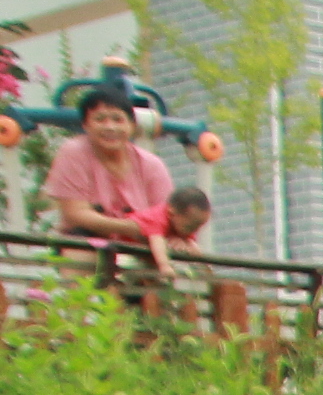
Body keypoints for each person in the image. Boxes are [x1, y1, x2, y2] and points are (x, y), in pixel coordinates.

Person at [47, 90, 174, 253]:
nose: (110, 127)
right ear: (85, 125)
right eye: (100, 119)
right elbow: (75, 214)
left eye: (118, 119)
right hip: (86, 244)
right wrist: (133, 227)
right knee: (77, 255)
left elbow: (169, 216)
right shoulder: (73, 152)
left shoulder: (152, 165)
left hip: (143, 248)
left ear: (132, 125)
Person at [136, 185, 212, 280]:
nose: (195, 231)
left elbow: (192, 245)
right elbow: (156, 240)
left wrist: (204, 264)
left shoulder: (180, 226)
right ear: (172, 213)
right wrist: (164, 266)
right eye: (190, 227)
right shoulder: (157, 217)